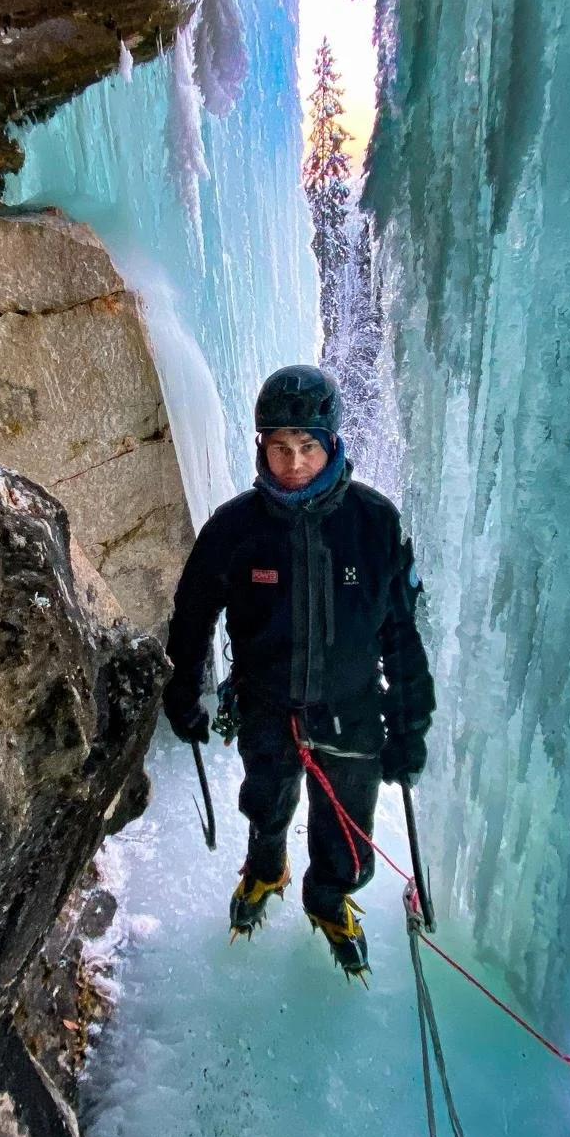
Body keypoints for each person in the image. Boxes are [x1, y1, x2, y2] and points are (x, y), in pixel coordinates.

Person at [161, 365, 435, 980]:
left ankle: (328, 897)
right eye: (280, 447)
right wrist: (182, 690)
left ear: (331, 445)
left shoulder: (374, 524)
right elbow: (193, 613)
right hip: (266, 705)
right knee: (266, 801)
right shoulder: (234, 530)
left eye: (307, 447)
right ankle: (266, 869)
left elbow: (400, 634)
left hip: (352, 708)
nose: (292, 463)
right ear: (261, 446)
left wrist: (409, 724)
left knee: (347, 829)